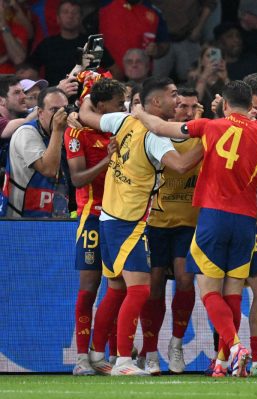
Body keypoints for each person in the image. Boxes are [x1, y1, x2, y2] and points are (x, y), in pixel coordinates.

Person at [132, 80, 257, 378]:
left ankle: (237, 347)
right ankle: (224, 362)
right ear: (249, 104)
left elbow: (163, 129)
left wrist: (139, 113)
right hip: (245, 222)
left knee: (210, 291)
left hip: (213, 218)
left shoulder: (210, 127)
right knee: (233, 292)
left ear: (225, 105)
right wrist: (255, 215)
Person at [79, 76, 203, 376]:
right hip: (129, 221)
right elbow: (182, 165)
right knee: (139, 290)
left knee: (117, 288)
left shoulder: (123, 120)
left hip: (108, 215)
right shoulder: (154, 135)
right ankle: (123, 361)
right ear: (157, 102)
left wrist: (84, 87)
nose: (179, 101)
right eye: (174, 95)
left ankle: (96, 354)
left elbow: (86, 115)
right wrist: (213, 140)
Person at [137, 87, 202, 376]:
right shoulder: (156, 137)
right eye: (182, 106)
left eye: (193, 107)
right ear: (172, 109)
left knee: (185, 280)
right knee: (153, 287)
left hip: (188, 224)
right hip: (155, 224)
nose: (187, 112)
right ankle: (150, 352)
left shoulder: (202, 137)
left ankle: (175, 346)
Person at [65, 78, 122, 375]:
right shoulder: (77, 132)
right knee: (89, 288)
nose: (122, 109)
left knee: (119, 287)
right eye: (118, 105)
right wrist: (109, 160)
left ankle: (109, 355)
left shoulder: (121, 128)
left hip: (121, 216)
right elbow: (76, 179)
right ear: (101, 107)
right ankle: (81, 358)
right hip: (91, 216)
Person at [5, 87, 68, 218]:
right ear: (40, 113)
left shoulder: (68, 133)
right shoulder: (26, 132)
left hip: (56, 218)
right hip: (23, 220)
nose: (60, 116)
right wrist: (58, 131)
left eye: (64, 110)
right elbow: (49, 170)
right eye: (54, 110)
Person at [29, 0, 115, 85]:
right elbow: (30, 70)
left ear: (81, 18)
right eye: (65, 12)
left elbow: (115, 70)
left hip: (86, 96)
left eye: (75, 12)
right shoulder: (46, 44)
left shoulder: (91, 44)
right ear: (58, 18)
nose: (70, 16)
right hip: (55, 95)